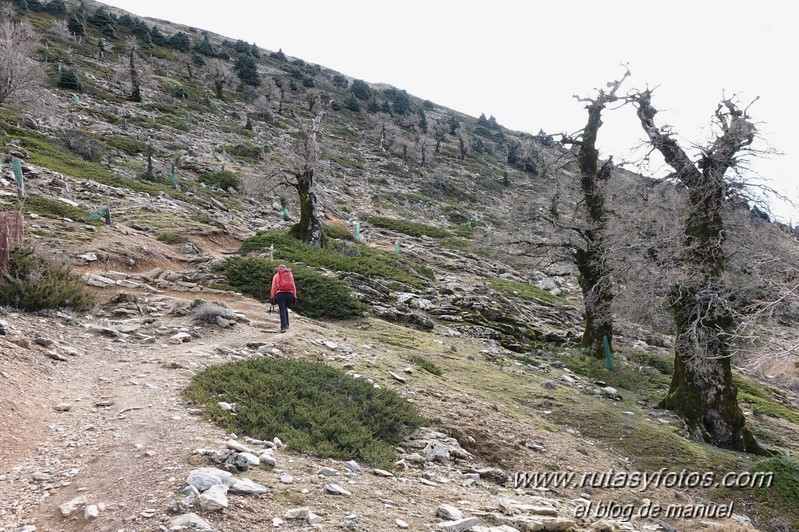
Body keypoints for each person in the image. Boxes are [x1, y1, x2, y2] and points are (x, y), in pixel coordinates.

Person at [270, 264, 297, 332]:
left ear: (278, 269)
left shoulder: (276, 275)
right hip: (289, 294)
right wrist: (295, 296)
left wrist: (272, 297)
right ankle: (287, 324)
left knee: (282, 309)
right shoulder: (290, 275)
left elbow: (273, 287)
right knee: (285, 308)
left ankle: (283, 327)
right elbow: (293, 286)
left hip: (280, 294)